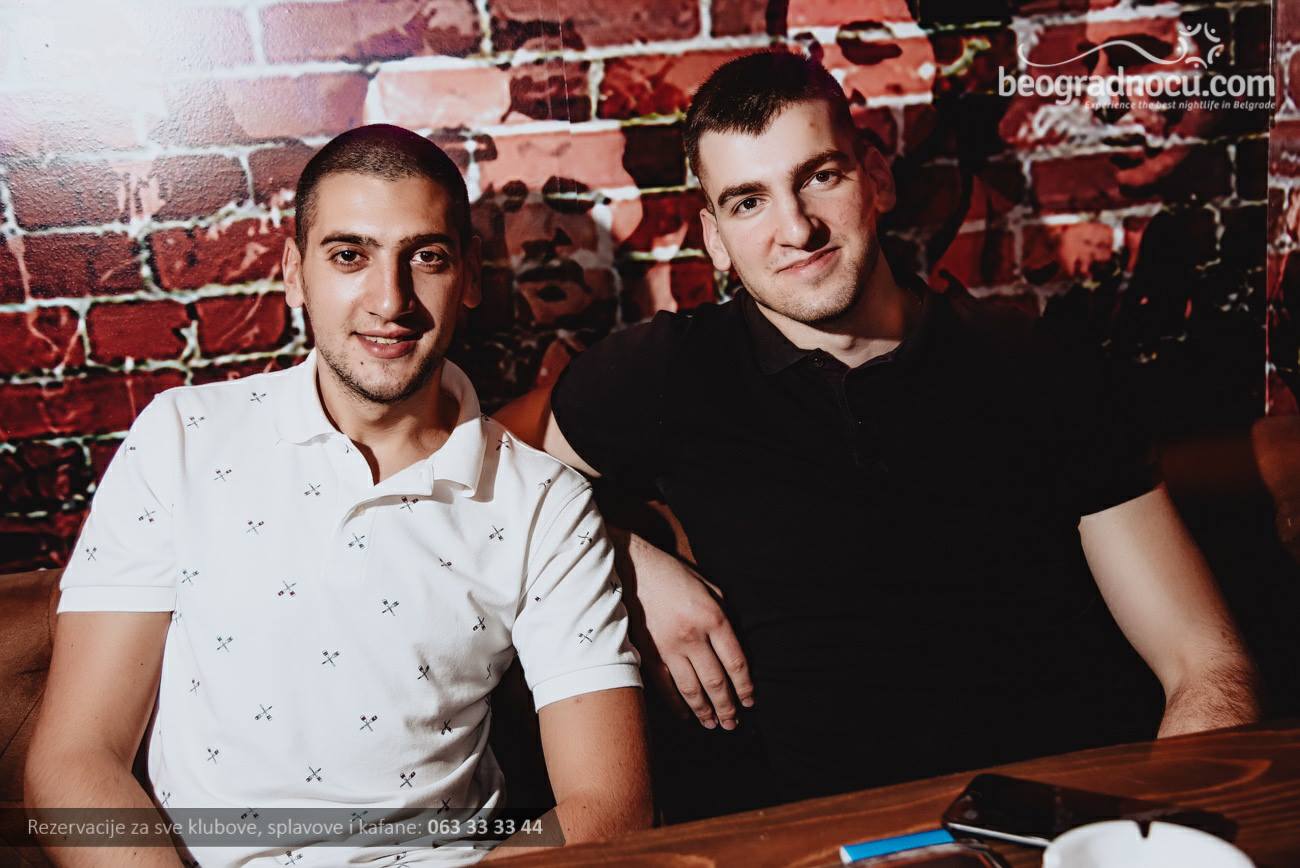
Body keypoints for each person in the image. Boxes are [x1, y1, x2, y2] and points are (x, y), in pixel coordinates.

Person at [496, 52, 1261, 820]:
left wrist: (1147, 843)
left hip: (1043, 827)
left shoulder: (1033, 363)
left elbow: (1205, 663)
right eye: (749, 201)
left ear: (878, 181)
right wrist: (625, 563)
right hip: (804, 841)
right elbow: (473, 463)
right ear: (716, 239)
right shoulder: (668, 371)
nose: (796, 229)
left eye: (820, 177)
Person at [25, 124, 652, 866]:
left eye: (426, 257)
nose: (390, 300)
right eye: (350, 255)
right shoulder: (182, 439)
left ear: (471, 278)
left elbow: (609, 807)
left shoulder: (542, 501)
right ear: (295, 273)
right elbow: (75, 761)